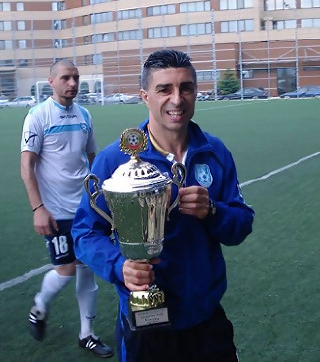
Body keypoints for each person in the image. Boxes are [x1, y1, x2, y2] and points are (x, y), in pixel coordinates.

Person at [72, 49, 255, 362]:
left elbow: (241, 224)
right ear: (145, 96)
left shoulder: (214, 152)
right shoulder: (116, 160)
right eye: (164, 89)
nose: (177, 99)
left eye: (186, 88)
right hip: (147, 320)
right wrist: (119, 266)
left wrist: (213, 211)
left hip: (205, 316)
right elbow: (85, 232)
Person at [20, 59, 114, 358]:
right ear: (51, 81)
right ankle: (40, 306)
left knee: (87, 271)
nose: (72, 83)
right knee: (65, 271)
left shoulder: (85, 115)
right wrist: (38, 208)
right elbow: (26, 166)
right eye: (65, 78)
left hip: (86, 208)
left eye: (75, 77)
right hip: (56, 210)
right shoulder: (38, 116)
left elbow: (93, 158)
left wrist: (101, 199)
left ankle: (87, 334)